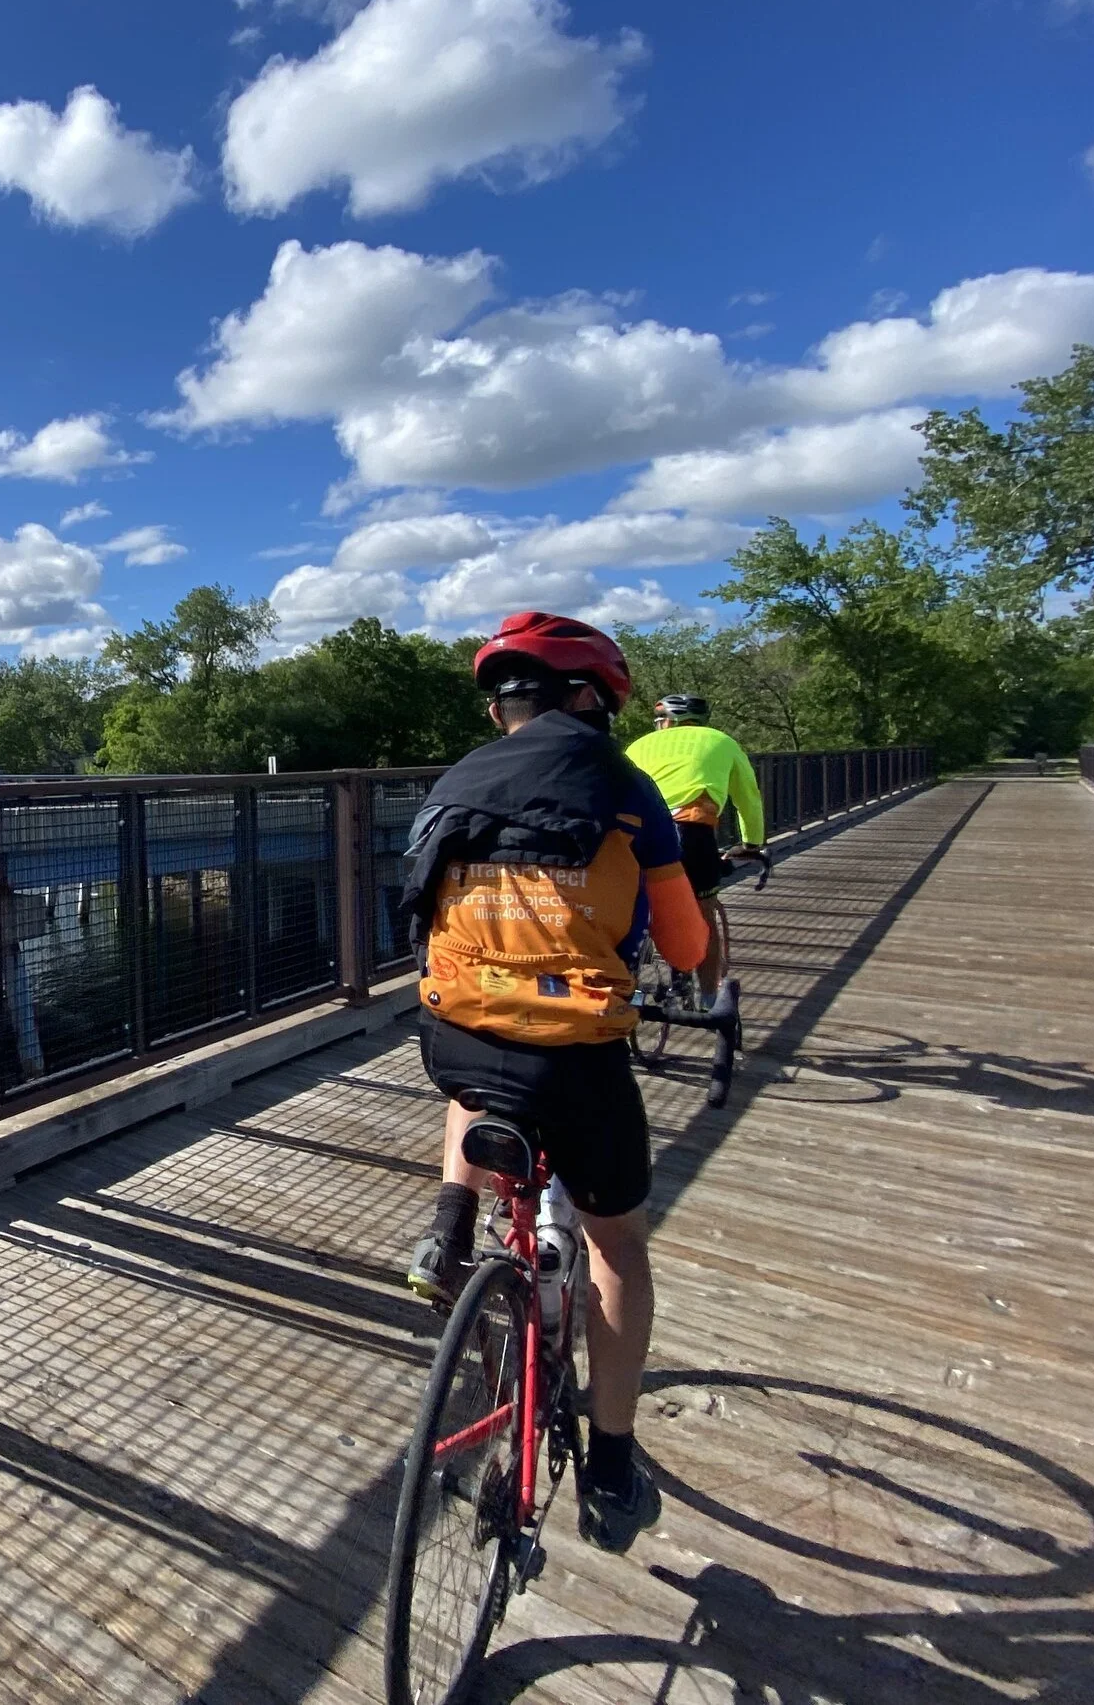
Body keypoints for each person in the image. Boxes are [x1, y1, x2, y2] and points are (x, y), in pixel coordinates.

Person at [398, 612, 710, 1553]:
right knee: (616, 1246)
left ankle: (448, 1223)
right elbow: (689, 946)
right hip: (578, 1059)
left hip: (449, 1034)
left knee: (483, 1046)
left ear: (503, 707)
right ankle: (612, 1465)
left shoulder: (453, 782)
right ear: (587, 701)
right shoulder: (623, 784)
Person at [625, 693, 767, 993]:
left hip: (634, 835)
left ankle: (626, 987)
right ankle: (709, 1001)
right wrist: (751, 843)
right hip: (691, 833)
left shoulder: (637, 746)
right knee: (704, 920)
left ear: (667, 721)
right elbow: (749, 799)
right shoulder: (721, 741)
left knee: (632, 911)